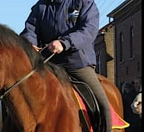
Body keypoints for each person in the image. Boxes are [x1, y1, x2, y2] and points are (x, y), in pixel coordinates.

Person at [20, 0, 111, 132]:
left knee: (103, 105)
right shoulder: (40, 6)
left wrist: (65, 43)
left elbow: (89, 29)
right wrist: (29, 43)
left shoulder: (84, 3)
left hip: (77, 64)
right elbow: (30, 30)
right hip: (48, 64)